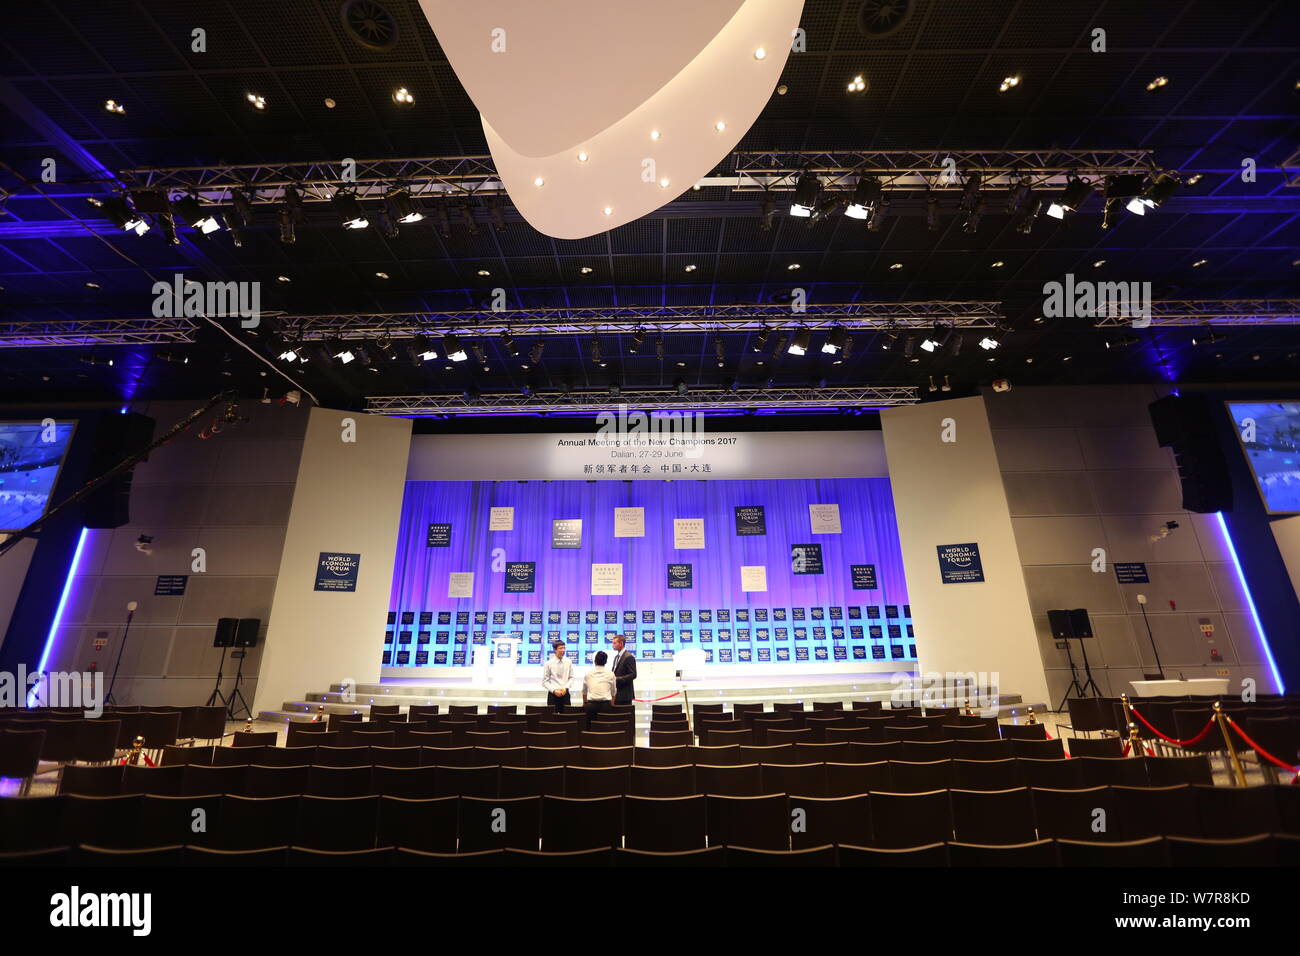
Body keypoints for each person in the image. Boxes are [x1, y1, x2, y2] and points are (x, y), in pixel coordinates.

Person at [582, 651, 617, 729]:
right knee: (605, 730)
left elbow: (584, 691)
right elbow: (613, 692)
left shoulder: (588, 674)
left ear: (595, 661)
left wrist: (584, 703)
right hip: (606, 707)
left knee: (590, 729)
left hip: (590, 706)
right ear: (606, 662)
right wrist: (612, 704)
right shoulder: (611, 674)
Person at [541, 640, 573, 711]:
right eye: (560, 648)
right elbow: (545, 681)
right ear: (555, 650)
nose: (563, 650)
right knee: (552, 718)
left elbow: (571, 677)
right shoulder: (548, 663)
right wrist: (554, 690)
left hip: (565, 693)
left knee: (566, 718)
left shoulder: (568, 661)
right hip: (553, 695)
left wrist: (566, 688)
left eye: (564, 648)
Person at [610, 634, 637, 706]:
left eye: (614, 643)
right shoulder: (616, 657)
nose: (612, 645)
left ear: (621, 643)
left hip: (625, 695)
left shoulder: (628, 657)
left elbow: (633, 674)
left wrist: (617, 679)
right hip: (616, 694)